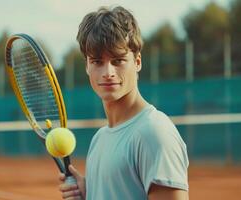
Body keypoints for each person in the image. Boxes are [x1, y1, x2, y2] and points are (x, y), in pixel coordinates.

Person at [59, 6, 189, 200]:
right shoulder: (99, 139)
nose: (108, 72)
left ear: (137, 62)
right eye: (97, 61)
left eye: (118, 60)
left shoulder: (154, 133)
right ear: (87, 65)